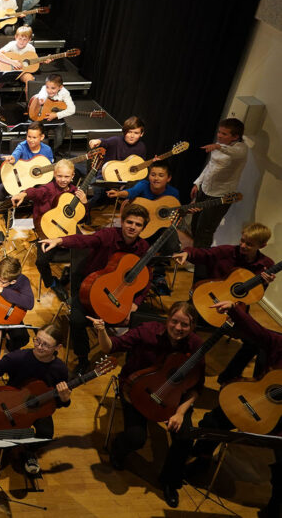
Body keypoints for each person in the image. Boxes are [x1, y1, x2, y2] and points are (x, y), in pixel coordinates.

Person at [89, 301, 203, 508]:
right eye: (175, 321)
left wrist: (179, 413)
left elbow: (196, 387)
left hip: (174, 397)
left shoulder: (195, 346)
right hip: (137, 390)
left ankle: (169, 482)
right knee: (135, 437)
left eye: (185, 325)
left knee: (185, 437)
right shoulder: (147, 331)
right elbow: (111, 346)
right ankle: (117, 450)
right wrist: (101, 331)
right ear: (167, 319)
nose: (178, 328)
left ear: (192, 327)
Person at [175, 300, 282, 517]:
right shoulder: (280, 343)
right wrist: (234, 309)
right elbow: (258, 331)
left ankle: (275, 506)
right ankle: (203, 460)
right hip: (254, 400)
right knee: (212, 423)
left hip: (278, 421)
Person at [40, 203, 151, 376]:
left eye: (138, 225)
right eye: (129, 222)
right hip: (91, 289)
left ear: (143, 227)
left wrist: (136, 303)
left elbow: (146, 276)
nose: (132, 227)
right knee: (76, 321)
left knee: (142, 321)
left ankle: (133, 364)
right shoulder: (108, 235)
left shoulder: (143, 248)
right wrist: (60, 240)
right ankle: (83, 359)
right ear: (122, 222)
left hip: (120, 295)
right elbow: (85, 240)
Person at [174, 222, 275, 383]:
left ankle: (229, 378)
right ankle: (176, 363)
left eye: (249, 244)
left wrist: (264, 283)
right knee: (181, 319)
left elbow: (254, 295)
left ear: (261, 245)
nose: (242, 245)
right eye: (242, 240)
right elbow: (202, 253)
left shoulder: (266, 265)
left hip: (235, 311)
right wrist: (187, 253)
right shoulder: (227, 251)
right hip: (207, 299)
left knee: (257, 341)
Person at [0, 322, 70, 474]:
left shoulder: (60, 369)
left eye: (46, 345)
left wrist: (64, 399)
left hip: (37, 408)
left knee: (45, 434)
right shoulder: (19, 357)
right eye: (37, 340)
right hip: (10, 404)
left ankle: (26, 451)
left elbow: (57, 402)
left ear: (58, 348)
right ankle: (8, 443)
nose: (39, 347)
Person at [12, 158, 84, 297]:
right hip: (47, 231)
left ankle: (70, 275)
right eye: (59, 176)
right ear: (54, 174)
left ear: (73, 176)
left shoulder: (76, 192)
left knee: (86, 251)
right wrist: (23, 194)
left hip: (67, 229)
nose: (63, 179)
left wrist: (85, 203)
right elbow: (35, 192)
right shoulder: (48, 189)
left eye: (67, 176)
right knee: (41, 261)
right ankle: (52, 283)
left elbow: (82, 216)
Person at [107, 161, 180, 293]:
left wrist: (181, 214)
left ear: (168, 178)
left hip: (158, 228)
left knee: (172, 242)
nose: (156, 178)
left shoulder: (173, 193)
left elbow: (171, 214)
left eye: (160, 175)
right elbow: (131, 192)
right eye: (153, 174)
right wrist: (119, 194)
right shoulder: (143, 185)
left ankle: (158, 273)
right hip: (140, 228)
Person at [190, 118, 248, 248]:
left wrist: (218, 146)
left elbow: (233, 152)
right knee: (194, 224)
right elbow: (210, 166)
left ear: (236, 137)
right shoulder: (219, 145)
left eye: (224, 134)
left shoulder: (241, 149)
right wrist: (198, 183)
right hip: (205, 189)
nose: (219, 136)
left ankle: (200, 261)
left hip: (220, 195)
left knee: (205, 229)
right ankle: (195, 253)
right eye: (219, 132)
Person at [87, 115, 148, 206]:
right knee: (97, 196)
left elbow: (139, 167)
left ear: (141, 134)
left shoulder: (141, 147)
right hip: (106, 178)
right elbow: (105, 142)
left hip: (126, 180)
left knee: (139, 189)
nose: (132, 136)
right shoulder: (116, 141)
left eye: (136, 133)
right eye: (129, 132)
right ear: (124, 132)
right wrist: (96, 141)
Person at [0, 122, 52, 203]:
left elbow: (49, 168)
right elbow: (15, 154)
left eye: (34, 137)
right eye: (29, 136)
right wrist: (12, 158)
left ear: (42, 137)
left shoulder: (47, 150)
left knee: (47, 192)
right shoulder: (22, 146)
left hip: (36, 184)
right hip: (19, 179)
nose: (31, 140)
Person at [29, 73, 74, 154]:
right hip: (43, 117)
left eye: (53, 88)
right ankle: (42, 151)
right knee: (41, 131)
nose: (49, 91)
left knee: (60, 133)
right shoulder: (44, 89)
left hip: (56, 117)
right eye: (47, 87)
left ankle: (53, 151)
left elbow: (72, 109)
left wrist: (56, 115)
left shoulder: (65, 93)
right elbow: (42, 95)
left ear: (60, 87)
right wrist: (41, 99)